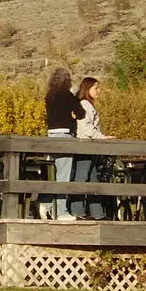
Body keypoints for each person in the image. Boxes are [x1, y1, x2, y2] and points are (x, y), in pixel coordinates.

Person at [43, 67, 86, 221]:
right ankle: (60, 211)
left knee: (57, 171)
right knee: (64, 174)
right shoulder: (67, 96)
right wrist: (73, 112)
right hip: (65, 135)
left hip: (51, 134)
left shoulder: (50, 96)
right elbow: (81, 113)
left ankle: (47, 203)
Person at [74, 76, 112, 220]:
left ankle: (97, 213)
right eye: (96, 88)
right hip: (85, 146)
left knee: (92, 178)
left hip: (90, 146)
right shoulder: (84, 105)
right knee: (82, 177)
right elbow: (86, 128)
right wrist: (101, 137)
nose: (98, 91)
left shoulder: (87, 105)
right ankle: (77, 210)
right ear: (87, 89)